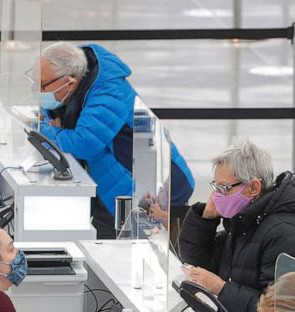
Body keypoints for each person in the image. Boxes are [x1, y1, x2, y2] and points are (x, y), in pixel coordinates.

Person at [33, 42, 195, 239]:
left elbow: (83, 143)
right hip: (113, 188)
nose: (38, 91)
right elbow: (47, 116)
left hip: (152, 191)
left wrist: (49, 130)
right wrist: (52, 127)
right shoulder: (72, 87)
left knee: (145, 260)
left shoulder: (108, 93)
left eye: (42, 85)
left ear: (70, 81)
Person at [178, 139, 295, 312]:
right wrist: (206, 219)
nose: (216, 197)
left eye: (223, 188)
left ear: (254, 188)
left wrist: (222, 289)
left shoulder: (286, 236)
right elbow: (199, 263)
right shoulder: (245, 222)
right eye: (215, 187)